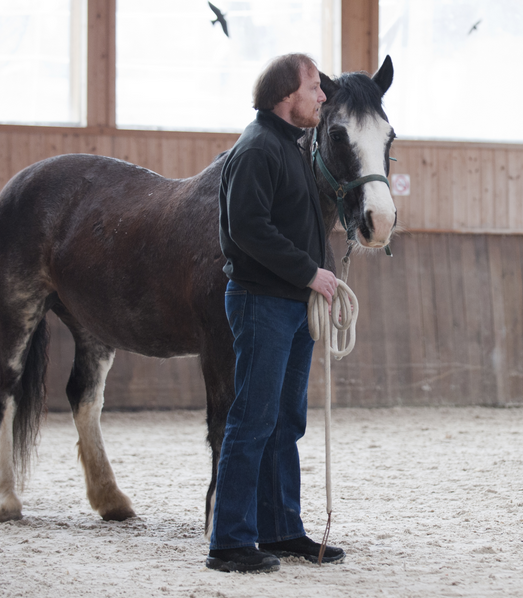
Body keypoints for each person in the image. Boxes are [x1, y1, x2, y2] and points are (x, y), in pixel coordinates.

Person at [208, 53, 345, 574]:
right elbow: (247, 229)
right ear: (288, 95)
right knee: (253, 419)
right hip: (262, 301)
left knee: (284, 421)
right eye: (314, 87)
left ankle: (281, 528)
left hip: (288, 303)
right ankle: (229, 541)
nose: (322, 97)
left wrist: (313, 280)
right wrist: (311, 273)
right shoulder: (257, 148)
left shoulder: (288, 147)